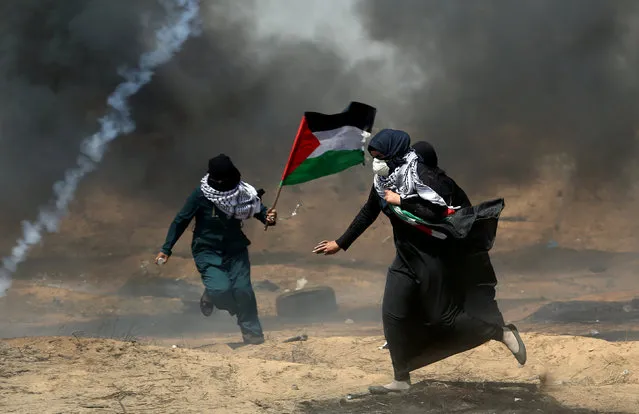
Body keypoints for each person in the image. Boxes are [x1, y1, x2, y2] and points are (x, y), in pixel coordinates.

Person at [313, 129, 525, 394]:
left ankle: (500, 333)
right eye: (374, 157)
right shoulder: (384, 180)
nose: (376, 162)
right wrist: (340, 243)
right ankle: (401, 379)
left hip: (434, 257)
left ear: (394, 153)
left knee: (445, 318)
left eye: (380, 156)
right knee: (392, 314)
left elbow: (442, 212)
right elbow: (368, 211)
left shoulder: (424, 175)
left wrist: (402, 200)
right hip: (405, 257)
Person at [155, 154, 277, 345]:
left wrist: (268, 217)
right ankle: (214, 296)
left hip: (235, 249)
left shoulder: (242, 191)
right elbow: (181, 220)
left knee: (243, 291)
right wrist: (166, 248)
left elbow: (257, 208)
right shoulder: (200, 195)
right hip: (207, 249)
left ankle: (252, 334)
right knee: (221, 290)